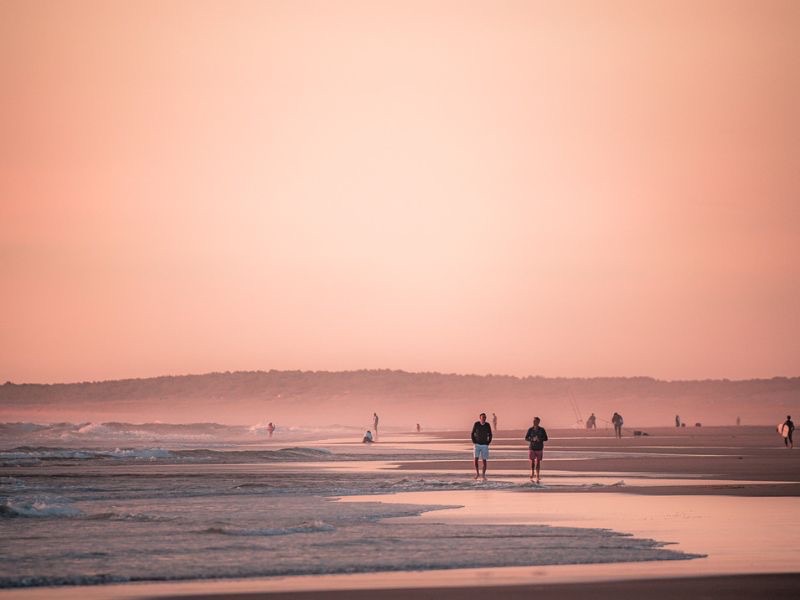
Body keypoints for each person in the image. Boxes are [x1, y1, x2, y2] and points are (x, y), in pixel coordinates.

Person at [525, 417, 549, 483]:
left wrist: (540, 439)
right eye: (534, 421)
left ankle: (537, 475)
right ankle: (532, 473)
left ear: (538, 422)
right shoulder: (530, 429)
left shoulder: (542, 430)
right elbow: (526, 438)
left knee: (538, 462)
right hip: (532, 447)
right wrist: (532, 439)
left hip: (539, 448)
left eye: (536, 421)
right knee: (532, 461)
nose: (535, 422)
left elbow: (546, 438)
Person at [471, 412, 492, 480]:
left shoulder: (487, 425)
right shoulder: (476, 424)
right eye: (483, 417)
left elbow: (490, 434)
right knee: (475, 459)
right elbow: (472, 433)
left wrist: (488, 442)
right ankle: (477, 473)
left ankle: (483, 475)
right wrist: (474, 442)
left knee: (484, 460)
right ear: (480, 418)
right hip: (477, 444)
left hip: (484, 445)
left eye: (485, 417)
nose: (484, 418)